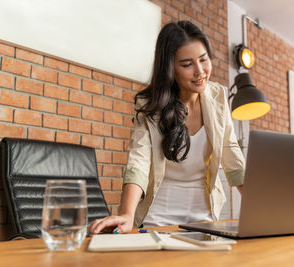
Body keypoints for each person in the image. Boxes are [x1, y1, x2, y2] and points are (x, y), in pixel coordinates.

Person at [89, 20, 245, 234]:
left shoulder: (218, 96)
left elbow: (230, 152)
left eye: (203, 59)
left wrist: (261, 205)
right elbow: (139, 160)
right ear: (170, 68)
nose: (200, 71)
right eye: (187, 64)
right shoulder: (151, 103)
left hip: (205, 220)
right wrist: (127, 213)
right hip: (158, 219)